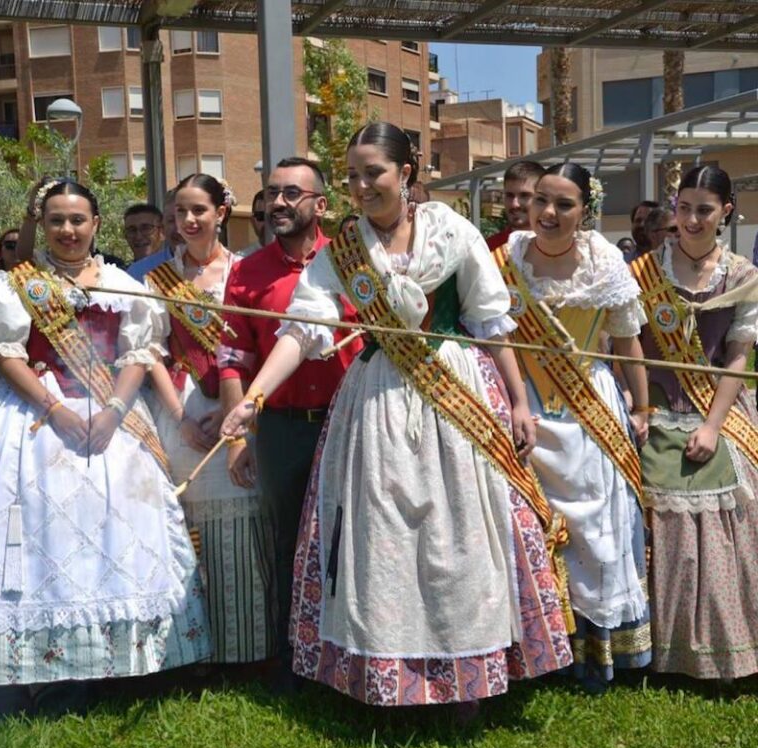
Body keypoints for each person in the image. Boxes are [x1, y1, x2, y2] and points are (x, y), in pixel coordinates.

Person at [221, 122, 572, 709]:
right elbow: (304, 328)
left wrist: (516, 401)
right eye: (353, 176)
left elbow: (490, 320)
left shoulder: (451, 231)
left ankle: (468, 683)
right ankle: (386, 679)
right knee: (382, 539)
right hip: (378, 401)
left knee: (458, 536)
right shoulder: (346, 252)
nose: (361, 186)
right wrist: (254, 398)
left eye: (373, 173)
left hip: (453, 392)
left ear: (405, 174)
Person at [0, 179, 210, 717]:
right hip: (39, 421)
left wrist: (114, 411)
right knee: (45, 537)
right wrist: (55, 409)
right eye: (57, 220)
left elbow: (140, 352)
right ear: (42, 226)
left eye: (78, 220)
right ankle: (39, 672)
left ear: (96, 225)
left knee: (120, 532)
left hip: (111, 417)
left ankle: (126, 665)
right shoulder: (20, 284)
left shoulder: (119, 282)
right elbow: (7, 354)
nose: (68, 230)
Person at [493, 162, 651, 685]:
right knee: (528, 523)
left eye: (564, 204)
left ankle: (594, 650)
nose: (549, 213)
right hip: (521, 403)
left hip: (587, 405)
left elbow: (628, 343)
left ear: (586, 211)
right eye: (541, 200)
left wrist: (642, 407)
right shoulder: (507, 257)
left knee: (595, 529)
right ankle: (537, 644)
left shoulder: (604, 262)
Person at [219, 157, 362, 690]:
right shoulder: (247, 272)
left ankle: (351, 660)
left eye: (291, 194)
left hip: (349, 424)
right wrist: (240, 439)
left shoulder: (354, 261)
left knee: (352, 539)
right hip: (280, 428)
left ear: (320, 204)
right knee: (287, 544)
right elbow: (232, 357)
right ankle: (295, 663)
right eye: (271, 193)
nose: (277, 203)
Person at [630, 166, 758, 680]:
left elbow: (736, 358)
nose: (691, 219)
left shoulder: (743, 274)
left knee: (739, 490)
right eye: (683, 208)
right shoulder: (643, 272)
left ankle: (731, 644)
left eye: (704, 209)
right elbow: (630, 348)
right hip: (654, 406)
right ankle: (651, 647)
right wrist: (638, 407)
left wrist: (711, 425)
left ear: (725, 211)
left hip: (717, 408)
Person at [145, 174, 273, 666]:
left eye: (199, 209)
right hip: (183, 409)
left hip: (239, 404)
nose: (190, 220)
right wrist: (179, 419)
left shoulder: (245, 272)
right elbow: (148, 351)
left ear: (222, 212)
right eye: (180, 212)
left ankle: (248, 647)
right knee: (189, 521)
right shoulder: (159, 280)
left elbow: (255, 344)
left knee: (242, 516)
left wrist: (233, 408)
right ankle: (196, 648)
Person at [486, 160, 545, 252]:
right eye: (509, 195)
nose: (515, 204)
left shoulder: (558, 247)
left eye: (524, 195)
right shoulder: (489, 248)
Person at [128, 191, 184, 281]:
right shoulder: (138, 272)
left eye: (146, 228)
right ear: (163, 226)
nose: (178, 230)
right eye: (171, 220)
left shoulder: (213, 268)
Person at [236, 190, 266, 258]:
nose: (268, 222)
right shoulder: (241, 260)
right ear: (253, 221)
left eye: (273, 216)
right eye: (261, 216)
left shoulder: (294, 257)